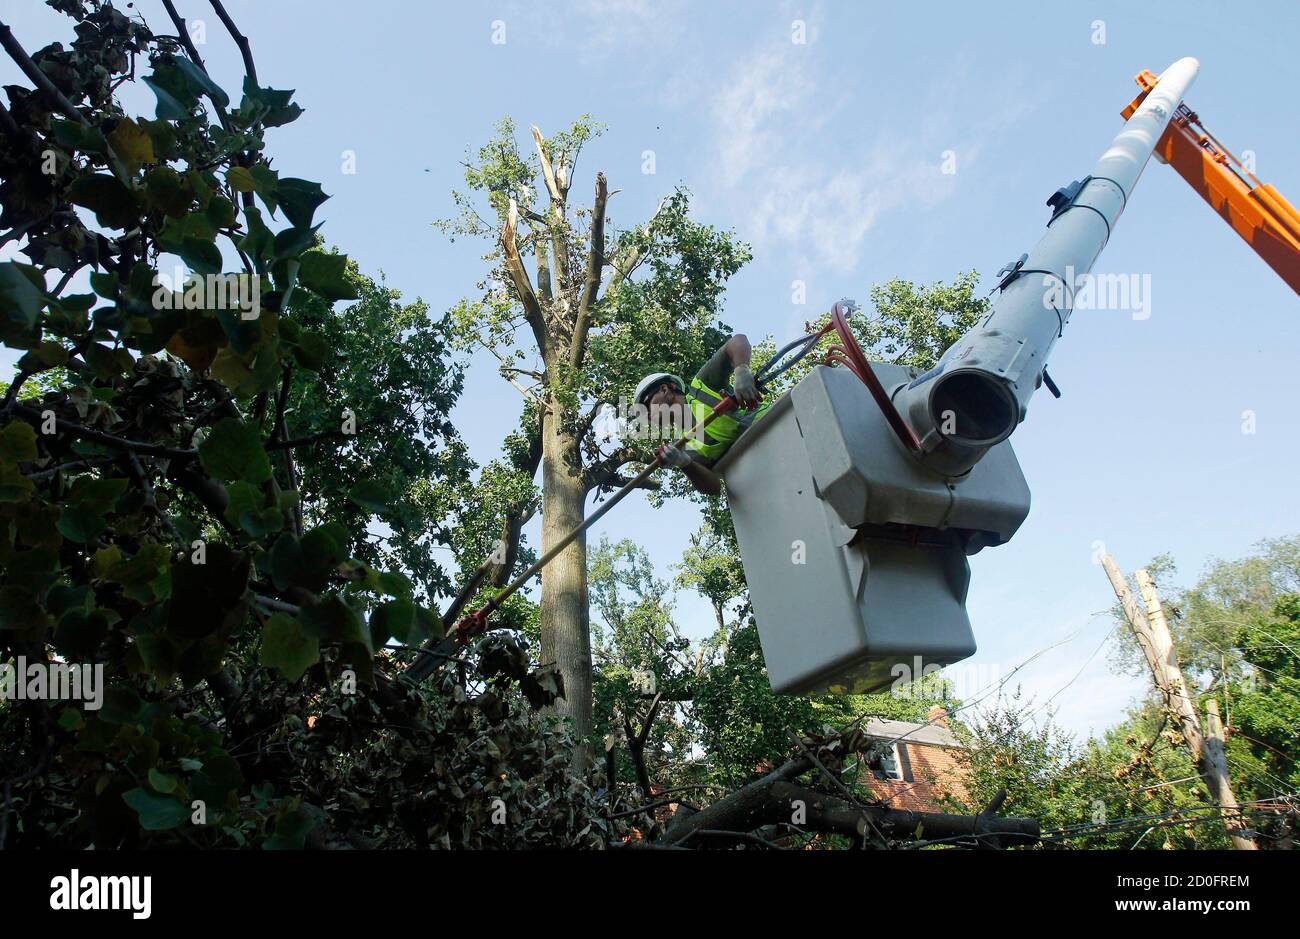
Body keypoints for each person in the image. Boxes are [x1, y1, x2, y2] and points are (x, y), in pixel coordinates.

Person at [633, 334, 770, 496]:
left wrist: (741, 369)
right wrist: (684, 463)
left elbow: (737, 341)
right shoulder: (684, 448)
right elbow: (714, 488)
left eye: (647, 406)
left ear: (665, 389)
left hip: (777, 425)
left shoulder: (701, 386)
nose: (648, 416)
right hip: (760, 475)